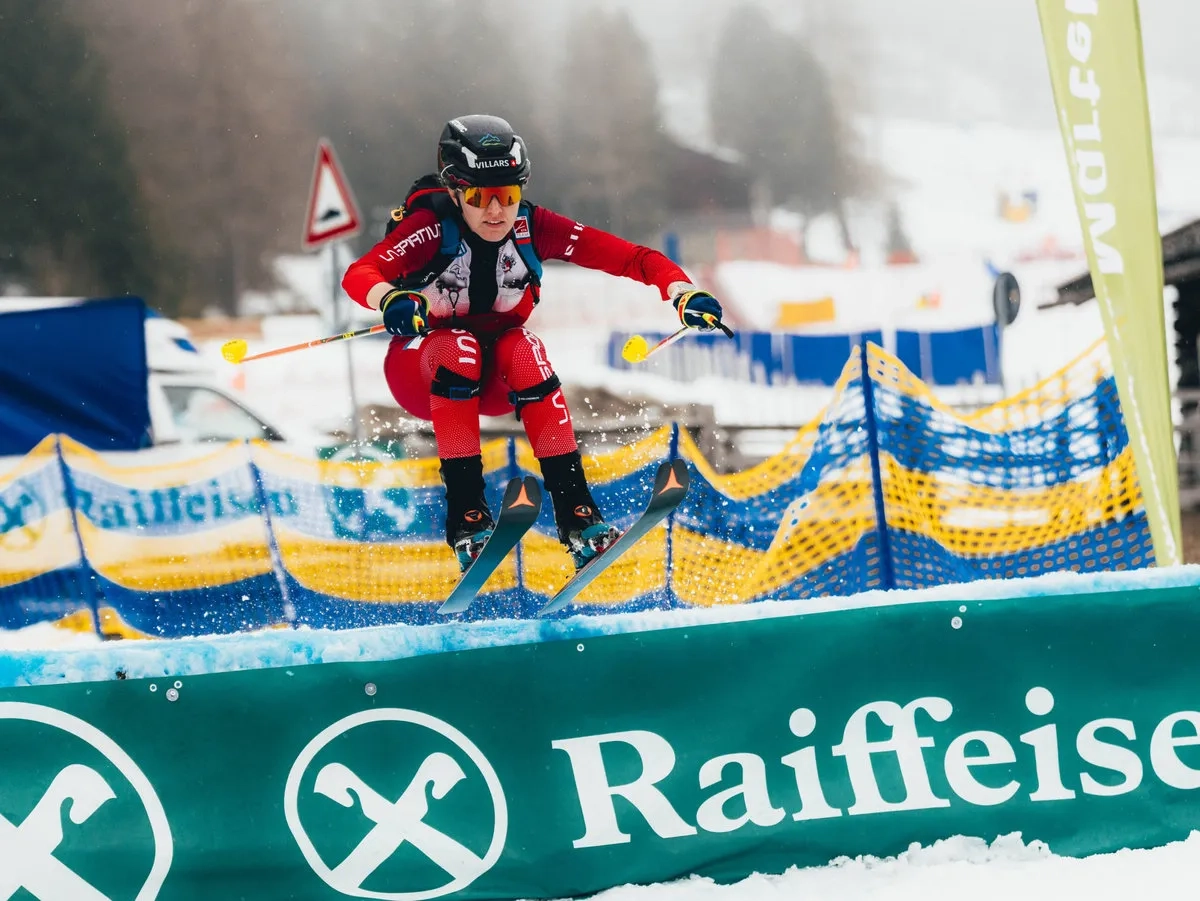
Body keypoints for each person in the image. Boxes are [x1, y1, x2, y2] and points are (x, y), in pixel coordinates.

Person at [342, 114, 726, 573]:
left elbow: (633, 258)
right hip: (421, 370)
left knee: (525, 348)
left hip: (494, 380)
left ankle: (580, 519)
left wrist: (683, 293)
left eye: (508, 196)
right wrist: (390, 298)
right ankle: (468, 520)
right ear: (455, 192)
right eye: (480, 198)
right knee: (459, 346)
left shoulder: (533, 227)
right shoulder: (430, 228)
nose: (495, 212)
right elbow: (359, 274)